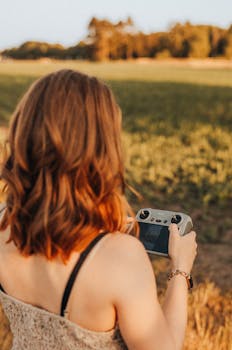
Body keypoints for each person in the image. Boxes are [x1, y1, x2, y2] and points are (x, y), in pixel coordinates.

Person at [0, 69, 197, 350]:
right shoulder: (121, 258)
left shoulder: (4, 222)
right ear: (102, 147)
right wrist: (181, 270)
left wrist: (103, 232)